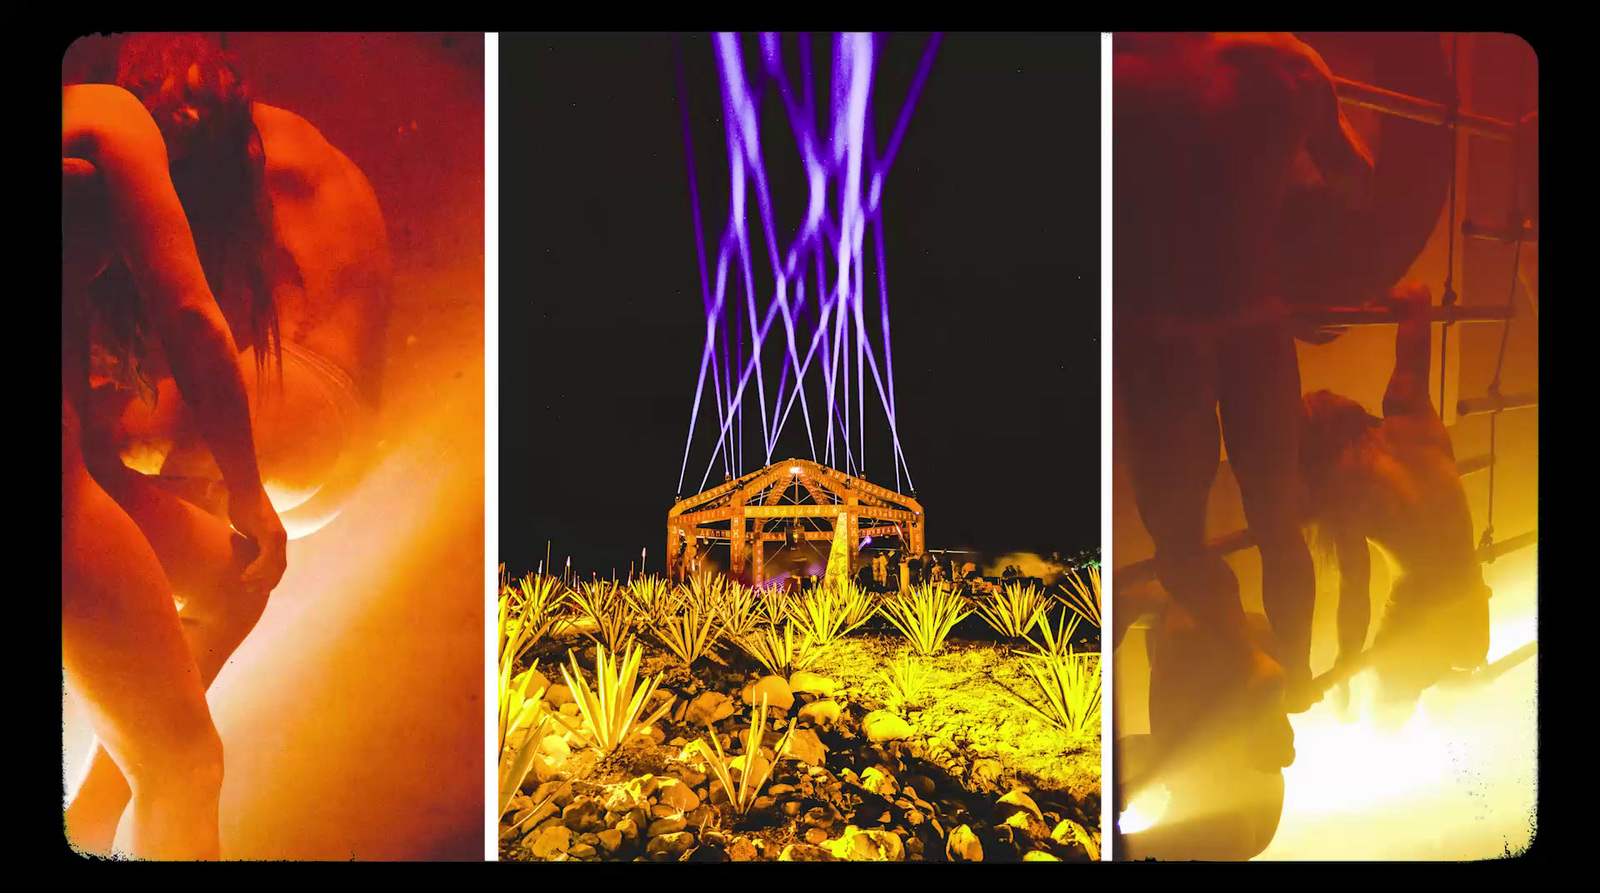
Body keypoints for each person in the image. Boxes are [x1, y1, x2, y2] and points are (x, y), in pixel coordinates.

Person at [1114, 32, 1374, 718]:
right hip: (1253, 324)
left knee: (1181, 541)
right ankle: (1288, 672)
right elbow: (1356, 181)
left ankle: (1250, 663)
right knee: (1278, 520)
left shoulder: (1124, 67)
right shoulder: (1289, 65)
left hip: (1159, 332)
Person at [63, 82, 288, 859]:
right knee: (186, 767)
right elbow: (191, 317)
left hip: (76, 468)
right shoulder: (103, 115)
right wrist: (248, 488)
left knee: (235, 576)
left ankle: (88, 815)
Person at [85, 33, 392, 540]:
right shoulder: (304, 147)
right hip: (344, 446)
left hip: (293, 401)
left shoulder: (252, 145)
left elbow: (182, 304)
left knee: (81, 437)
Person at [1300, 282, 1491, 727]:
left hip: (1415, 629)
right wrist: (1368, 294)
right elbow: (1418, 304)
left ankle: (1395, 734)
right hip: (1473, 623)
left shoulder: (1345, 498)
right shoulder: (1410, 413)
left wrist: (1344, 672)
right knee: (1422, 685)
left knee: (1380, 720)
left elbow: (1355, 602)